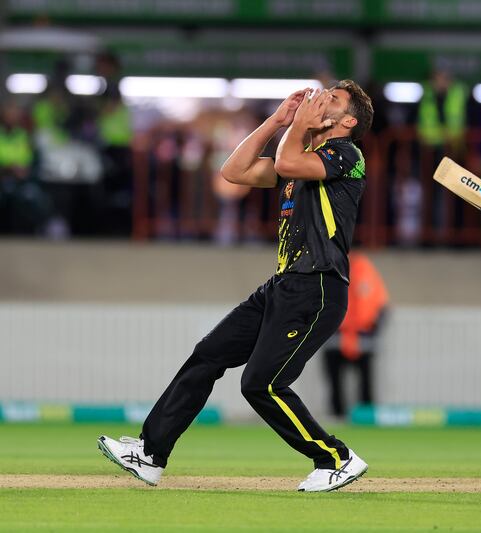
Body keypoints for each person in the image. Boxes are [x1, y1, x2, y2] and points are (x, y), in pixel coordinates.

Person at [97, 80, 374, 492]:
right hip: (283, 285)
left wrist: (296, 125)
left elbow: (288, 163)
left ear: (348, 121)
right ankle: (150, 454)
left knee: (261, 383)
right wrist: (277, 120)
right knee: (207, 354)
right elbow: (234, 172)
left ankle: (337, 458)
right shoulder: (298, 155)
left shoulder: (346, 155)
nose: (320, 99)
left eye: (332, 99)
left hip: (317, 287)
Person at [323, 251, 389, 417]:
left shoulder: (364, 270)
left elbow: (380, 306)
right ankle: (339, 414)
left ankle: (365, 415)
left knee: (365, 382)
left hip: (360, 338)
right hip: (337, 338)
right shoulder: (333, 268)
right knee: (336, 382)